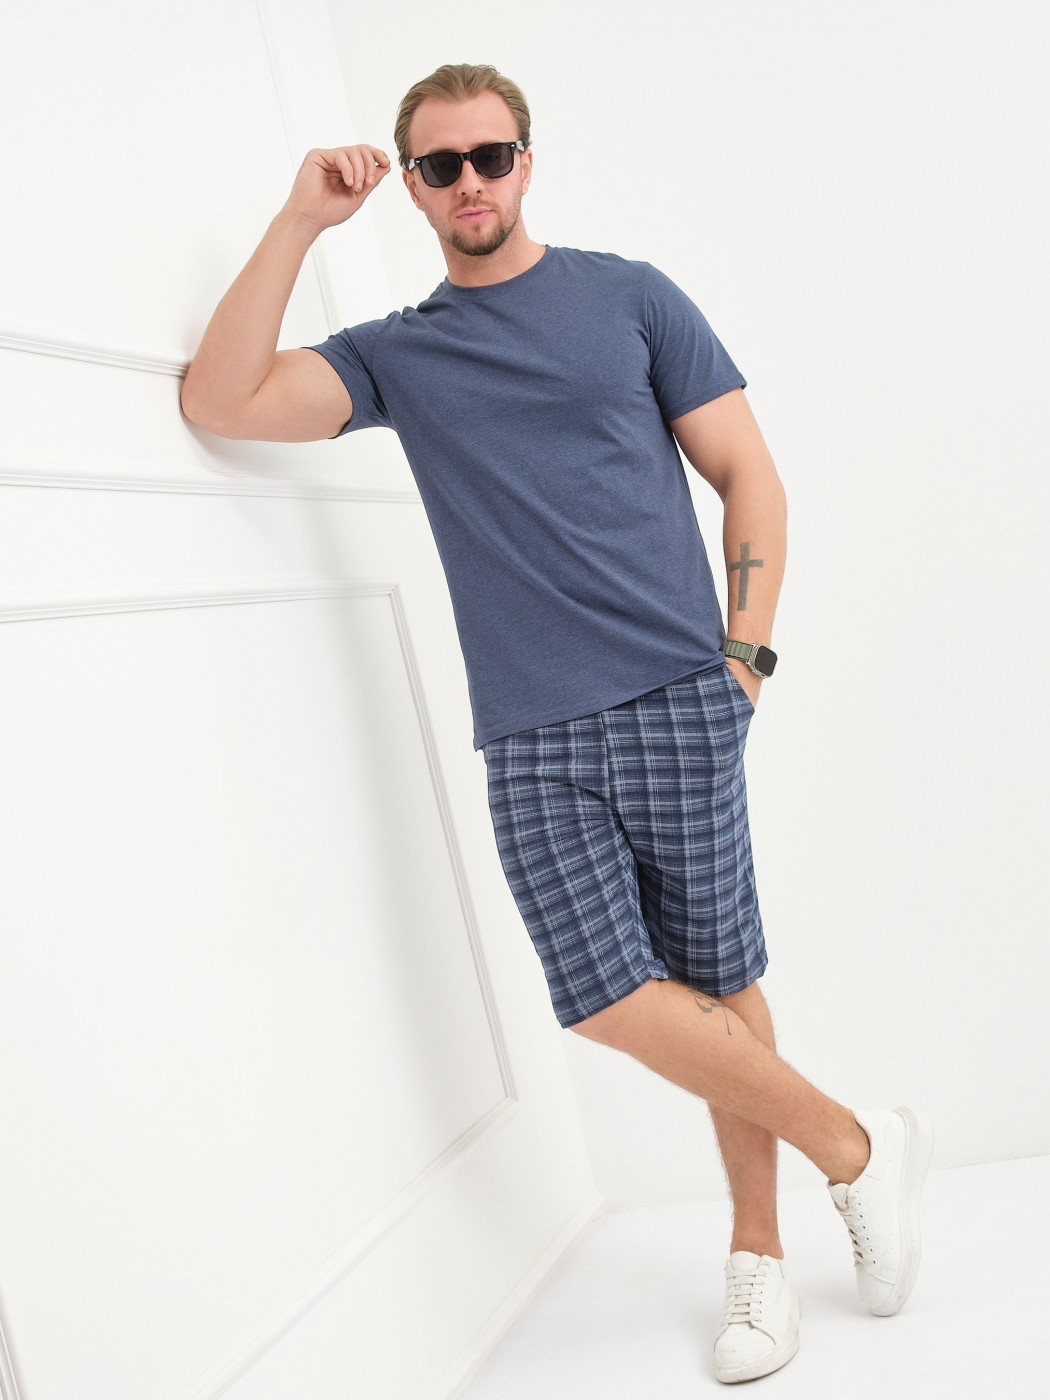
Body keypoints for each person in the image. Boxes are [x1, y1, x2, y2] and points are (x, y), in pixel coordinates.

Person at [181, 62, 932, 1386]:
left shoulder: (630, 296)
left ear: (525, 162)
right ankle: (856, 1147)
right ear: (415, 189)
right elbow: (221, 400)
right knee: (603, 999)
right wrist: (300, 220)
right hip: (528, 734)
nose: (468, 182)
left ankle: (757, 1258)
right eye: (439, 166)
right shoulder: (397, 355)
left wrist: (744, 661)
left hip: (680, 696)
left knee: (716, 979)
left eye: (490, 156)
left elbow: (747, 472)